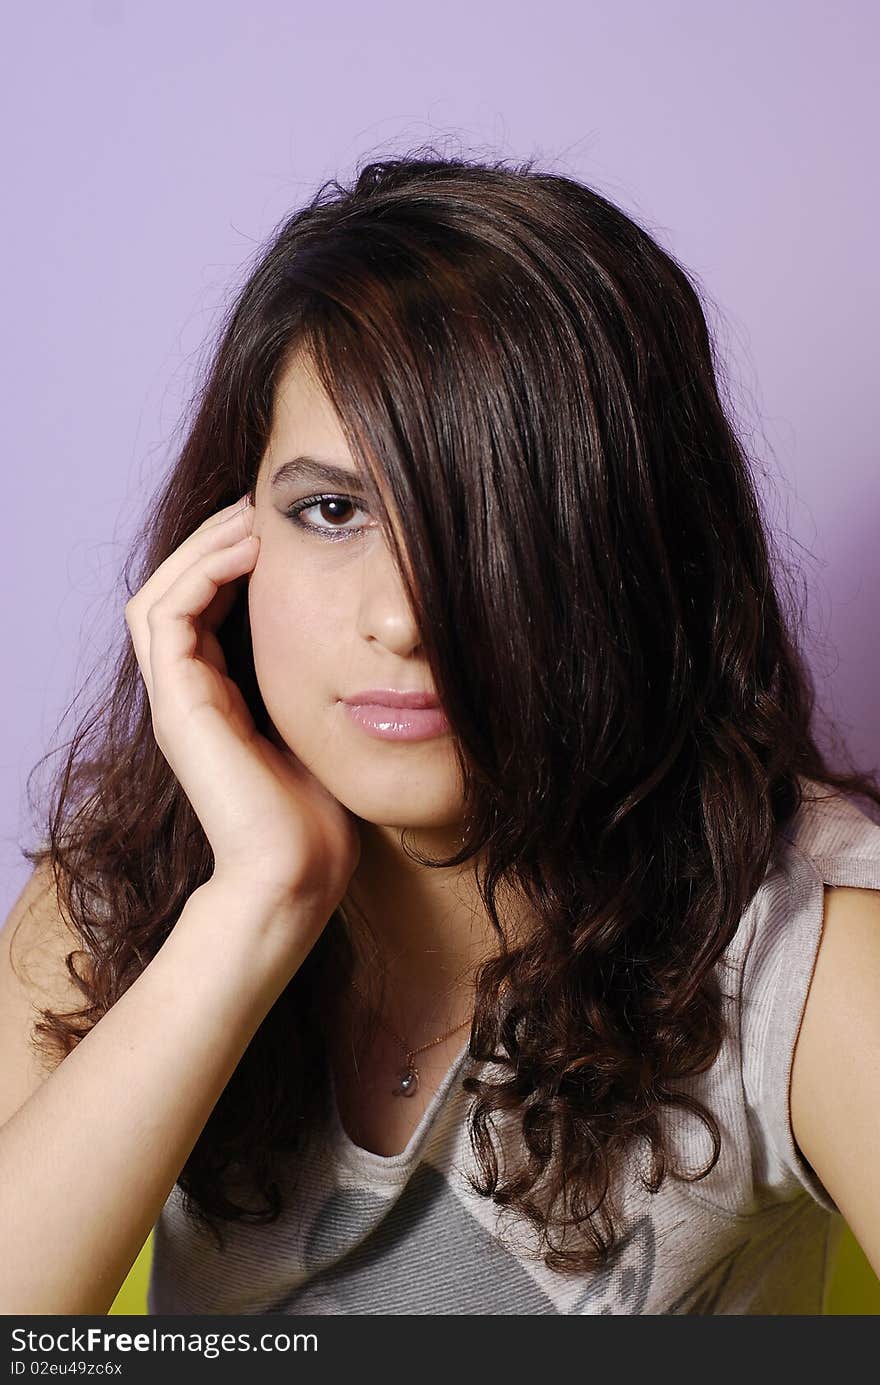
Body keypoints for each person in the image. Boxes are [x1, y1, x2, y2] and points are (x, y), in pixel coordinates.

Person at [1, 151, 879, 1316]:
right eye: (332, 511)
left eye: (487, 523)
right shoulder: (117, 902)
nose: (404, 615)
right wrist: (257, 899)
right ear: (226, 541)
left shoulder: (802, 947)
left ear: (633, 557)